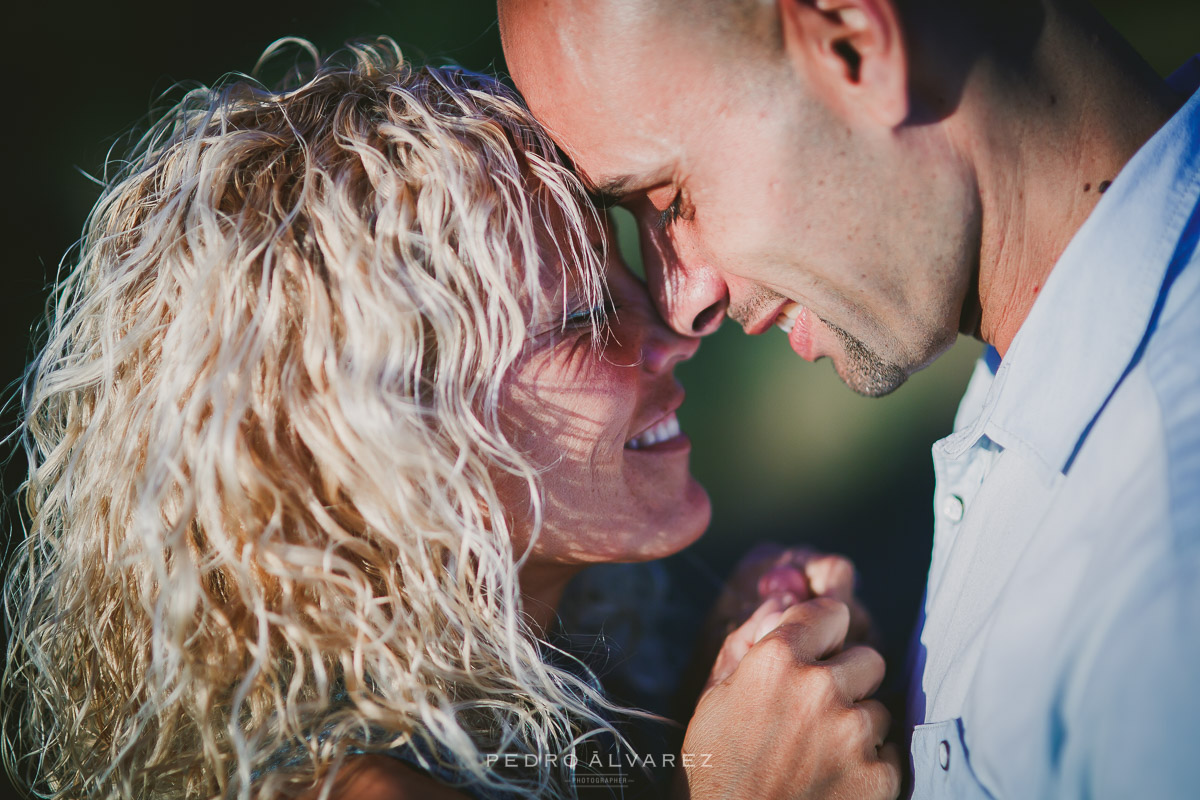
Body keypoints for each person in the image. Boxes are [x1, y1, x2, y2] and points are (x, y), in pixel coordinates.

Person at [1, 37, 853, 800]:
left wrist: (715, 708)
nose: (672, 333)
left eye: (628, 282)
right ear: (390, 437)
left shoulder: (549, 712)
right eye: (584, 321)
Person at [498, 0, 1200, 798]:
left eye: (670, 201)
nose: (680, 302)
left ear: (852, 44)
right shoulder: (1058, 368)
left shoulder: (1166, 570)